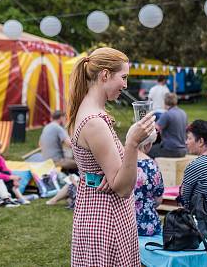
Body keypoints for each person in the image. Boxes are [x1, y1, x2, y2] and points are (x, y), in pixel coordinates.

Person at [67, 47, 155, 266]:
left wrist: (112, 169)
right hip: (107, 219)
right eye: (123, 77)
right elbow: (123, 188)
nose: (125, 85)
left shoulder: (85, 110)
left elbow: (110, 171)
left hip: (96, 211)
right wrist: (133, 142)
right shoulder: (95, 122)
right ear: (105, 75)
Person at [0, 139, 29, 204]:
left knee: (7, 174)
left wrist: (14, 178)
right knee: (7, 177)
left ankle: (19, 197)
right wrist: (10, 177)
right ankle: (20, 198)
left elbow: (6, 170)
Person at [134, 140, 164, 236]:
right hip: (149, 224)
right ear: (148, 144)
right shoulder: (153, 166)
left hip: (123, 225)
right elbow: (158, 200)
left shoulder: (119, 160)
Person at [149, 92, 188, 158]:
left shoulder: (167, 114)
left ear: (165, 102)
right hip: (183, 150)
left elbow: (155, 129)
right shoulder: (183, 113)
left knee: (147, 151)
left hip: (171, 150)